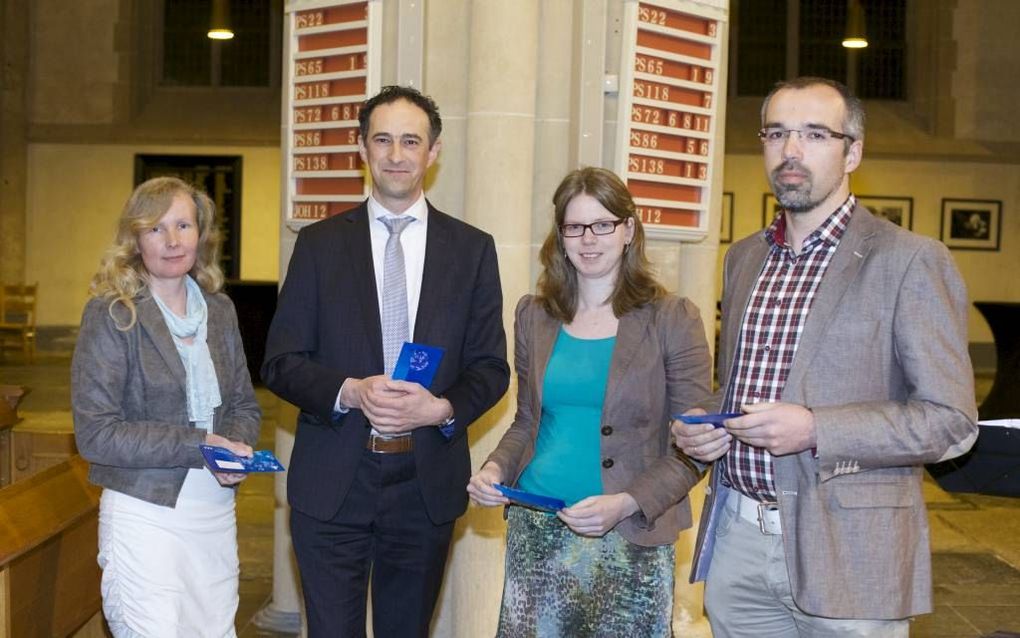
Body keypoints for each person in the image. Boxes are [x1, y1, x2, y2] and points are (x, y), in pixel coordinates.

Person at [673, 76, 979, 637]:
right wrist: (705, 426)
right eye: (777, 133)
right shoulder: (743, 260)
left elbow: (951, 422)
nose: (791, 151)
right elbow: (743, 389)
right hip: (739, 541)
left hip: (850, 552)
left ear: (852, 151)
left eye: (815, 134)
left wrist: (817, 428)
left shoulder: (909, 261)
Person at [261, 85, 510, 637]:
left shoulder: (471, 250)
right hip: (333, 481)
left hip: (424, 486)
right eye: (382, 140)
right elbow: (280, 361)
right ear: (362, 148)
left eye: (410, 141)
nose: (396, 154)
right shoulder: (320, 245)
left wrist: (440, 408)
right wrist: (350, 391)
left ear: (433, 151)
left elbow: (492, 367)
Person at [468, 167, 711, 637]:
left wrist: (624, 502)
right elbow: (528, 421)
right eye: (575, 226)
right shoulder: (533, 316)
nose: (589, 239)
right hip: (537, 529)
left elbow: (691, 447)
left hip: (630, 536)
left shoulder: (672, 319)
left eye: (603, 224)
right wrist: (495, 470)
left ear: (628, 230)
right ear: (560, 236)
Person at [72, 177, 261, 638]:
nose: (173, 241)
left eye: (183, 225)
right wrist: (200, 444)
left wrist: (235, 448)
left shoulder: (219, 311)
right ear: (135, 240)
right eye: (156, 229)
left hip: (214, 510)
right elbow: (96, 434)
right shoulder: (114, 313)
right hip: (144, 510)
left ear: (202, 234)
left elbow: (243, 404)